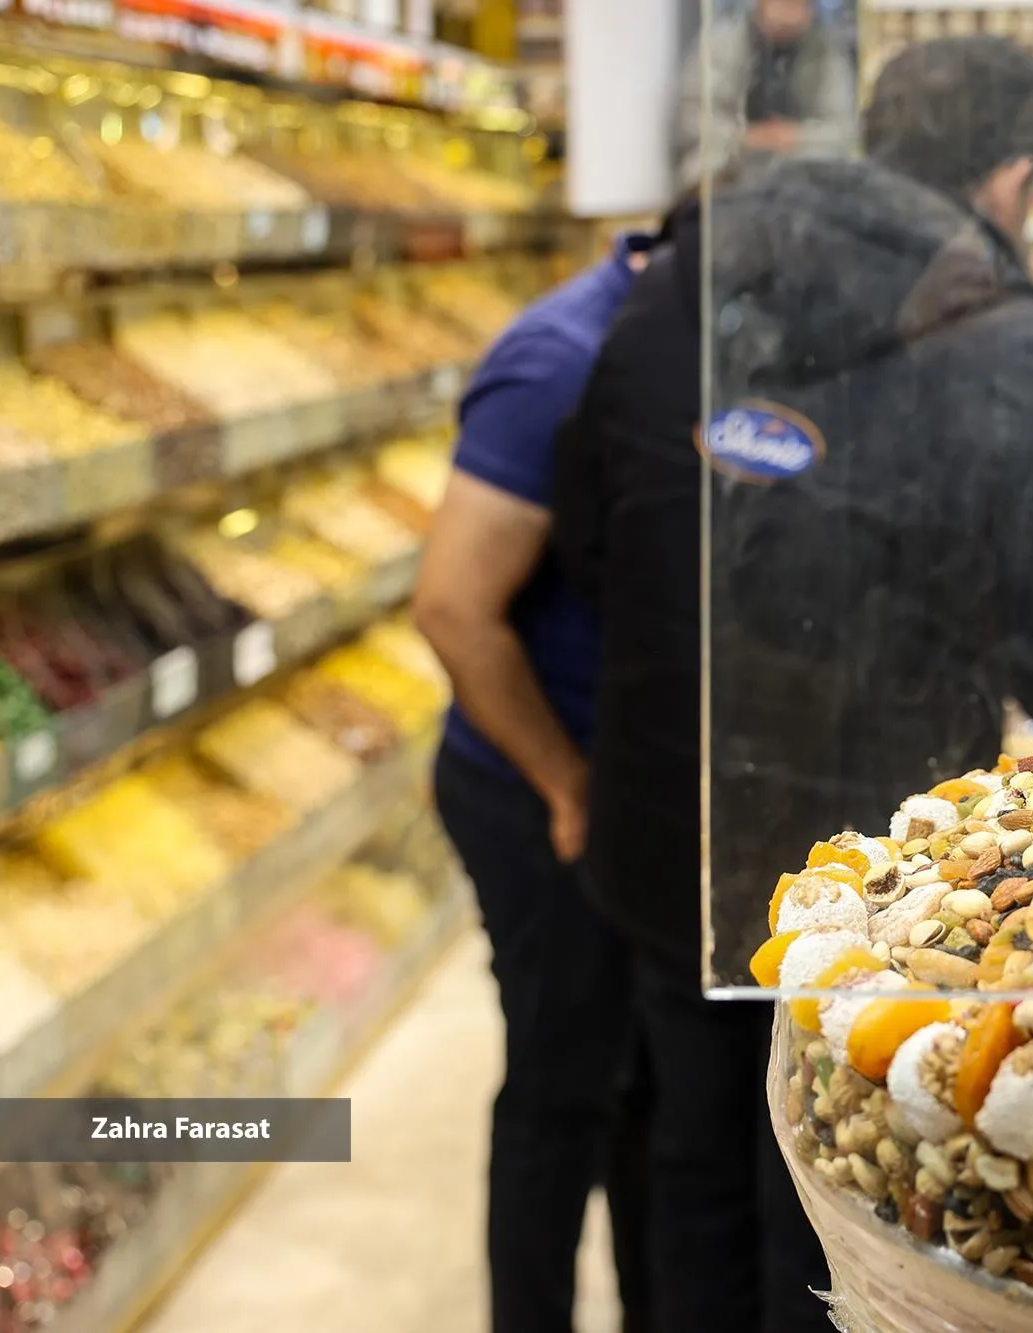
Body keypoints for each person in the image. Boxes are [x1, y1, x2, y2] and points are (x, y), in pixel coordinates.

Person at [555, 34, 1033, 1330]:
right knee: (837, 1200)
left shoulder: (694, 269)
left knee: (691, 1157)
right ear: (1013, 176)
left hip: (672, 818)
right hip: (874, 865)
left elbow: (588, 531)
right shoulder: (1010, 345)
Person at [412, 229, 658, 1333]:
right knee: (561, 1090)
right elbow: (451, 607)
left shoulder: (664, 339)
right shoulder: (559, 360)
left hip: (613, 789)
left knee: (638, 1090)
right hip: (531, 787)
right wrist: (567, 786)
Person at [673, 0, 856, 190]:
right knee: (704, 165)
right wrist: (748, 138)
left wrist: (794, 137)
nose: (791, 14)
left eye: (800, 5)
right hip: (732, 160)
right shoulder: (719, 47)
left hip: (801, 163)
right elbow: (693, 122)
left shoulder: (827, 53)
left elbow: (844, 130)